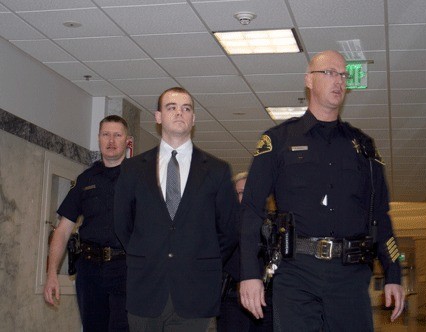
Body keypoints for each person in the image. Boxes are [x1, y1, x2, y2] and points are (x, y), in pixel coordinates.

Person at [239, 50, 405, 331]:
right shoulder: (277, 141)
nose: (338, 80)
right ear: (309, 80)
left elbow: (380, 215)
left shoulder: (363, 146)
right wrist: (249, 274)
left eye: (343, 75)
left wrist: (393, 272)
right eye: (329, 72)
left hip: (350, 276)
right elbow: (251, 211)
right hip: (296, 274)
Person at [114, 86, 238, 332]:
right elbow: (122, 223)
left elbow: (230, 230)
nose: (179, 113)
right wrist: (148, 254)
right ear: (158, 117)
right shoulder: (132, 169)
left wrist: (198, 258)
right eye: (171, 107)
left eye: (186, 108)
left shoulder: (217, 170)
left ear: (194, 119)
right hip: (146, 291)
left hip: (196, 293)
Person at [43, 115, 131, 332]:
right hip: (90, 270)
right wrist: (51, 274)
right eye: (105, 135)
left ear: (127, 141)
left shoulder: (140, 178)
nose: (111, 141)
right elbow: (62, 231)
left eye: (117, 135)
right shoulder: (85, 180)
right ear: (99, 138)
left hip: (127, 269)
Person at [218, 172, 273, 332]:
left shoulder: (271, 227)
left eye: (249, 192)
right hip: (231, 299)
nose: (244, 198)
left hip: (265, 299)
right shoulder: (221, 227)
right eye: (240, 193)